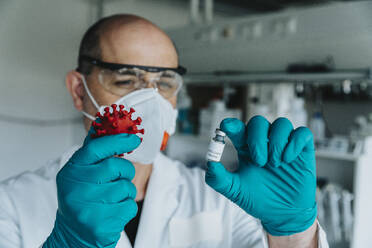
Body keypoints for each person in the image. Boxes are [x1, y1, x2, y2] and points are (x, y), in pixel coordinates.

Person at [0, 14, 328, 248]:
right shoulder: (11, 204)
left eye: (165, 82)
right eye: (126, 80)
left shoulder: (219, 200)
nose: (150, 101)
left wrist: (292, 234)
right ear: (77, 90)